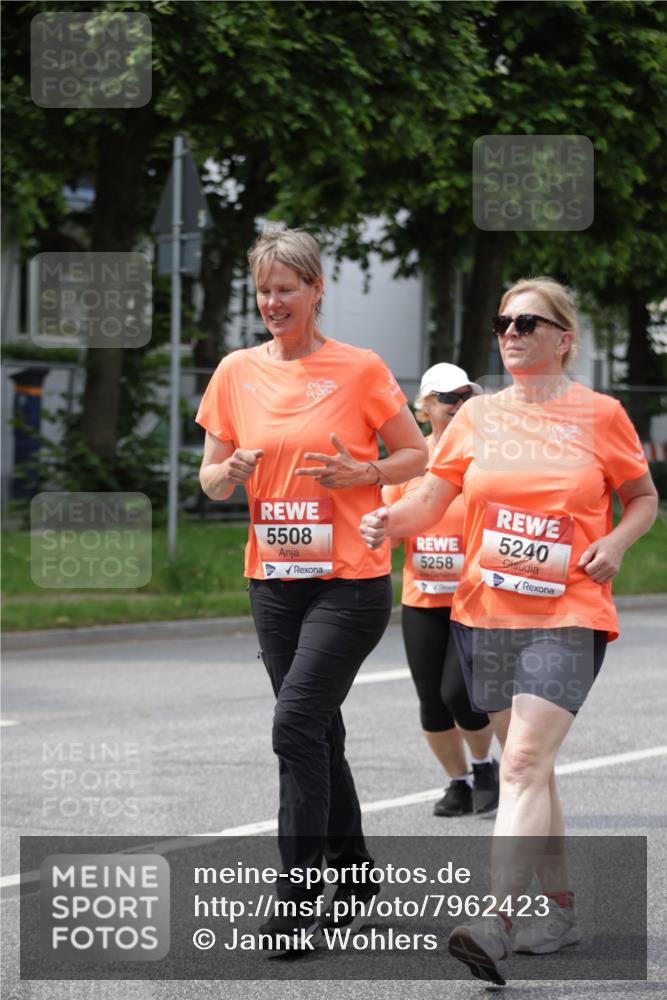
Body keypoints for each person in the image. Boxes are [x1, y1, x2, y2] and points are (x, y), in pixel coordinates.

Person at [360, 277, 657, 985]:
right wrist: (386, 520)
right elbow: (433, 496)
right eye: (504, 322)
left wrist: (615, 543)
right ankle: (556, 913)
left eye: (529, 321)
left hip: (570, 612)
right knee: (536, 768)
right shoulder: (474, 418)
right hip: (484, 613)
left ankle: (494, 923)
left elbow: (641, 498)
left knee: (519, 763)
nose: (513, 332)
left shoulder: (601, 413)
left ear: (563, 337)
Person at [196, 228, 427, 948]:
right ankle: (355, 873)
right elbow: (207, 475)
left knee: (294, 725)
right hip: (272, 581)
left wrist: (365, 475)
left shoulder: (358, 369)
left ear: (315, 290)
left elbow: (415, 452)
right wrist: (228, 474)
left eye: (285, 289)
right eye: (263, 290)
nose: (272, 302)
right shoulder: (236, 370)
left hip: (349, 582)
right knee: (317, 731)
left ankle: (297, 900)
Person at [382, 363, 499, 817]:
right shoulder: (412, 463)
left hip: (473, 601)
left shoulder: (487, 461)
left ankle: (485, 765)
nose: (458, 404)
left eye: (466, 396)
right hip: (423, 600)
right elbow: (388, 530)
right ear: (425, 405)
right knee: (431, 700)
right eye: (448, 397)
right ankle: (459, 782)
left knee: (460, 694)